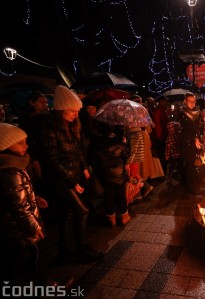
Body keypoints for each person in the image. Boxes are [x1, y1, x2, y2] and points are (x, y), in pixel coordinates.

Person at [35, 85, 103, 263]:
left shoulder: (72, 126)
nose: (75, 114)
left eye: (76, 110)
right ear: (61, 109)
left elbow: (77, 150)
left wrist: (84, 167)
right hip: (61, 180)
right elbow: (52, 161)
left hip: (72, 175)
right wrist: (72, 181)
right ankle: (81, 250)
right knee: (82, 211)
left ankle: (66, 250)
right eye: (72, 110)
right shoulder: (50, 129)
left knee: (68, 214)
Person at [0, 123, 47, 284]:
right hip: (18, 227)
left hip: (13, 226)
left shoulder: (16, 164)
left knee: (13, 260)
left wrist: (36, 197)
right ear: (6, 145)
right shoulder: (10, 170)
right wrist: (33, 225)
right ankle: (41, 287)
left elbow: (19, 193)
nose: (26, 145)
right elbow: (18, 206)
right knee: (32, 257)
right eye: (20, 142)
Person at [88, 122, 130, 226]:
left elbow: (92, 158)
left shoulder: (95, 143)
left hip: (105, 174)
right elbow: (126, 155)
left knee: (108, 195)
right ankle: (124, 217)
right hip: (119, 173)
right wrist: (125, 143)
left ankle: (112, 219)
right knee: (121, 195)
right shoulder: (119, 140)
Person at [178, 92, 203, 195]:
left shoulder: (197, 112)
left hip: (195, 141)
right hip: (186, 142)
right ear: (185, 101)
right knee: (190, 164)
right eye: (190, 101)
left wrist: (197, 137)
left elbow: (196, 128)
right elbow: (185, 129)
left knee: (195, 163)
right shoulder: (182, 113)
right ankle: (191, 186)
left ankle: (191, 184)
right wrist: (194, 138)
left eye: (194, 101)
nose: (192, 103)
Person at [151, 96, 170, 175]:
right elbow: (158, 124)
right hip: (161, 137)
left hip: (163, 135)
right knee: (161, 155)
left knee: (163, 154)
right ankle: (162, 172)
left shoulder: (162, 110)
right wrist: (160, 137)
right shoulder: (158, 111)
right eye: (165, 101)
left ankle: (163, 171)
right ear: (161, 102)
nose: (167, 103)